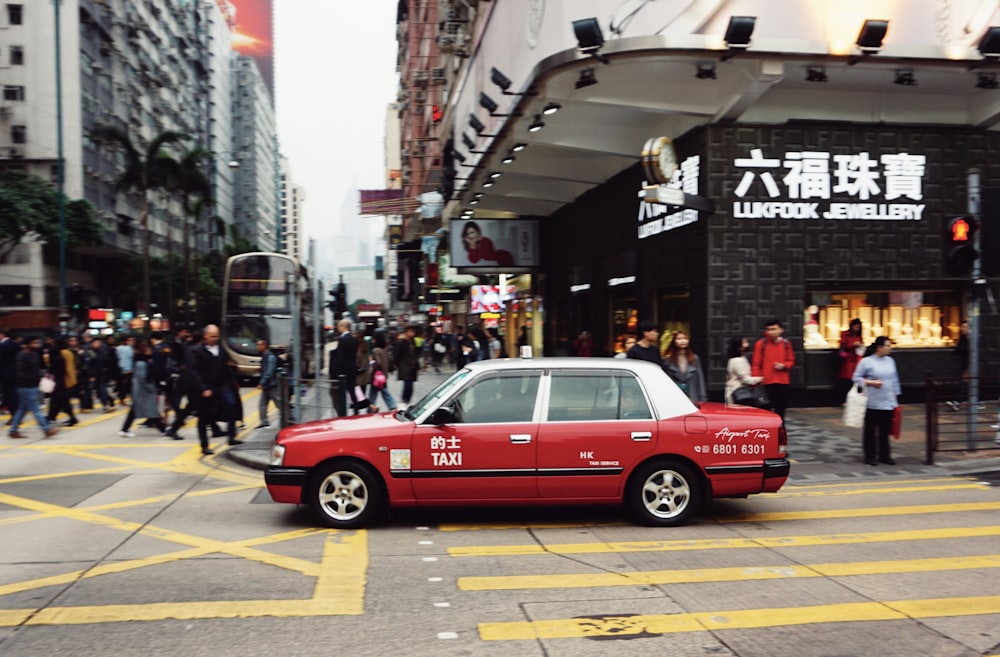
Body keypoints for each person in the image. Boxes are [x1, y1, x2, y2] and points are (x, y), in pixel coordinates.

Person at [185, 324, 241, 455]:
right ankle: (204, 445)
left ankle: (231, 436)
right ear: (205, 336)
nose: (215, 339)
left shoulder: (221, 349)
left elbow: (227, 365)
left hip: (222, 384)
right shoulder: (196, 351)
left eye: (217, 336)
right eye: (212, 336)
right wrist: (203, 388)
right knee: (204, 416)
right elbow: (194, 372)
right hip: (205, 387)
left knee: (231, 405)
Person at [852, 336, 901, 466]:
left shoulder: (890, 361)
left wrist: (896, 396)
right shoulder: (866, 362)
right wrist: (871, 382)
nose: (889, 348)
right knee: (870, 430)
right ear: (879, 347)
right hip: (872, 401)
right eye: (887, 345)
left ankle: (885, 455)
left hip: (887, 400)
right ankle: (870, 456)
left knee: (885, 430)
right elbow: (856, 378)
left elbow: (894, 379)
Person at [8, 337, 58, 439]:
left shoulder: (34, 355)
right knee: (35, 409)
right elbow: (20, 372)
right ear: (27, 345)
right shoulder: (21, 355)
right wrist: (29, 382)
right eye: (33, 343)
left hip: (33, 385)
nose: (36, 345)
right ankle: (46, 429)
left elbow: (36, 370)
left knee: (22, 409)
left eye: (36, 342)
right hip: (26, 386)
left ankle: (13, 430)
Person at [118, 339, 165, 436]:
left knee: (140, 410)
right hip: (143, 391)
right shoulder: (142, 363)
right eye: (148, 349)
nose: (150, 351)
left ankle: (124, 429)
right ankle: (163, 429)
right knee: (151, 409)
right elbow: (143, 379)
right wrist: (151, 388)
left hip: (142, 391)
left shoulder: (143, 361)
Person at [752, 318, 795, 420]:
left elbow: (791, 360)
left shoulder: (786, 343)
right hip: (766, 381)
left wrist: (784, 365)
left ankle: (780, 430)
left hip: (782, 381)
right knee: (766, 409)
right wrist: (756, 379)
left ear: (781, 330)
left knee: (781, 409)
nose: (771, 332)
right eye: (768, 329)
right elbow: (756, 363)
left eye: (774, 329)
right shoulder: (761, 344)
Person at [661, 330, 707, 402]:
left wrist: (703, 397)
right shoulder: (668, 360)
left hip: (692, 394)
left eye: (685, 339)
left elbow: (700, 379)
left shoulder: (694, 358)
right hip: (674, 396)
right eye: (679, 339)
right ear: (674, 341)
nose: (683, 341)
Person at [328, 318, 358, 417]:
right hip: (352, 370)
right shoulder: (354, 339)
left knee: (339, 394)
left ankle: (342, 413)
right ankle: (356, 411)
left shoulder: (342, 339)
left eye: (339, 326)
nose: (337, 328)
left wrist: (336, 373)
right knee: (352, 392)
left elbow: (340, 358)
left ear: (343, 327)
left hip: (343, 372)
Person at [46, 338, 79, 427]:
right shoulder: (68, 352)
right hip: (66, 379)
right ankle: (51, 416)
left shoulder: (61, 353)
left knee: (61, 400)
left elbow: (62, 367)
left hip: (62, 380)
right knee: (57, 400)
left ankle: (70, 417)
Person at [724, 336, 764, 404]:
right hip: (738, 393)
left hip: (739, 393)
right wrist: (760, 379)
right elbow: (745, 379)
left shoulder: (741, 359)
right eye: (744, 342)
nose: (747, 344)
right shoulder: (737, 361)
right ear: (739, 347)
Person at [836, 318, 865, 406]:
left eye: (858, 327)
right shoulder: (845, 334)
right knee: (846, 380)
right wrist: (853, 345)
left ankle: (854, 399)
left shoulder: (859, 336)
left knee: (855, 380)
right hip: (847, 360)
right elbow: (843, 346)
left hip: (856, 359)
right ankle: (844, 400)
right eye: (856, 327)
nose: (857, 329)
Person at [368, 331, 397, 412]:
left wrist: (371, 361)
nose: (372, 341)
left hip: (376, 376)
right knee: (379, 392)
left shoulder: (375, 350)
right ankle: (372, 408)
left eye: (373, 339)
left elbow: (378, 363)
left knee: (381, 392)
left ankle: (392, 406)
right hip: (383, 376)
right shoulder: (384, 350)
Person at [351, 332, 379, 414]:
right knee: (360, 395)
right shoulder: (365, 349)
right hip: (365, 377)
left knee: (358, 396)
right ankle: (360, 410)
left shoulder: (357, 351)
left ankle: (369, 407)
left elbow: (356, 363)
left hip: (358, 378)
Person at [946, 320, 970, 411]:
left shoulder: (970, 338)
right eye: (962, 327)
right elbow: (959, 350)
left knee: (965, 383)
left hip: (970, 365)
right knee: (967, 384)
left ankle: (957, 401)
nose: (963, 329)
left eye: (965, 327)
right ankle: (977, 400)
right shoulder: (963, 338)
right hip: (965, 364)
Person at [256, 338, 280, 427]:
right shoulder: (264, 356)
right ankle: (264, 422)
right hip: (267, 386)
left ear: (264, 346)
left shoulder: (270, 357)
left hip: (272, 386)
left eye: (259, 345)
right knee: (262, 405)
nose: (257, 347)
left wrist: (262, 382)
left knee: (279, 403)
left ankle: (289, 418)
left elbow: (269, 372)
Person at [395, 325, 420, 407]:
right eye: (411, 332)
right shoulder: (402, 341)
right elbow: (397, 354)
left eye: (413, 332)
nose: (413, 333)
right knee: (408, 384)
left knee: (410, 386)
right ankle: (404, 401)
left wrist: (417, 365)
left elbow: (415, 354)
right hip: (405, 366)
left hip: (412, 367)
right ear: (406, 332)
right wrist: (398, 365)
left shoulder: (412, 341)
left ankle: (407, 401)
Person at [0, 328, 21, 421]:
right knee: (14, 395)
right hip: (16, 373)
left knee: (8, 395)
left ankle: (15, 416)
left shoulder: (2, 346)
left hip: (5, 375)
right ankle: (16, 415)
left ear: (2, 335)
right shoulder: (16, 345)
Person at [115, 335, 135, 406]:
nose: (132, 342)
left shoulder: (117, 348)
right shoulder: (129, 348)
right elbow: (130, 358)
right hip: (128, 369)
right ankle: (131, 399)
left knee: (123, 386)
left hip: (121, 368)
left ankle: (122, 399)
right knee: (129, 386)